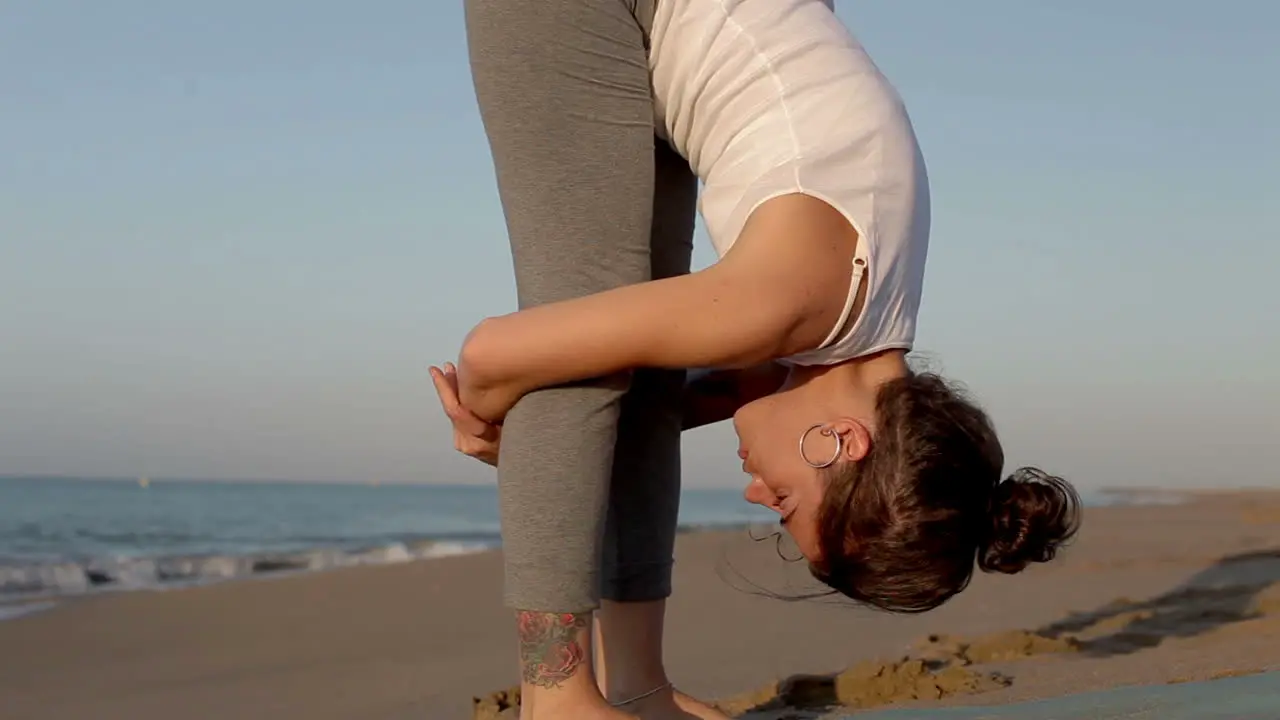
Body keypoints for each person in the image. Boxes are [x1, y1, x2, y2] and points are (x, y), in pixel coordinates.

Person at [432, 1, 1082, 719]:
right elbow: (494, 352)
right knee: (574, 360)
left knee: (624, 369)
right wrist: (490, 418)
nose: (755, 495)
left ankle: (638, 684)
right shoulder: (779, 304)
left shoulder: (858, 331)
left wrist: (529, 434)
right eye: (786, 505)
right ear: (841, 442)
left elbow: (650, 403)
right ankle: (553, 698)